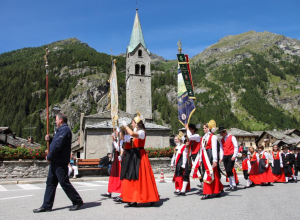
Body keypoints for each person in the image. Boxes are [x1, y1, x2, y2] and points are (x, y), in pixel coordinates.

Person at [33, 113, 83, 213]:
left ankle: (77, 201)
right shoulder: (60, 131)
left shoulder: (64, 130)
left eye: (56, 120)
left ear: (61, 120)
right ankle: (47, 205)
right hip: (56, 161)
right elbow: (57, 142)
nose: (55, 121)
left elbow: (57, 146)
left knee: (64, 182)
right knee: (50, 183)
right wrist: (50, 139)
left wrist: (49, 156)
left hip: (59, 161)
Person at [120, 111, 159, 208]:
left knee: (141, 177)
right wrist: (119, 130)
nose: (131, 123)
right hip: (134, 155)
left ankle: (149, 196)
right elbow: (125, 139)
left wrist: (126, 126)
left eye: (133, 122)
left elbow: (132, 134)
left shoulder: (141, 132)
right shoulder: (135, 132)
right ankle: (132, 199)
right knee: (131, 176)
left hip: (140, 156)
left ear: (137, 123)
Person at [199, 120, 224, 200]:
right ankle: (218, 189)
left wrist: (215, 160)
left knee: (210, 173)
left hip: (210, 156)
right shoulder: (203, 138)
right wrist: (200, 159)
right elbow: (201, 149)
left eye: (206, 128)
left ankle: (208, 192)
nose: (204, 129)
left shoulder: (213, 137)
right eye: (203, 128)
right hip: (205, 156)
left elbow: (214, 149)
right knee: (207, 173)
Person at [177, 123, 201, 196]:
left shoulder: (197, 136)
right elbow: (187, 150)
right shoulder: (189, 139)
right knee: (186, 173)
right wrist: (187, 146)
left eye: (190, 129)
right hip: (190, 157)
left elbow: (190, 136)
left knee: (199, 173)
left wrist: (187, 129)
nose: (189, 131)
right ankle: (183, 190)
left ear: (193, 130)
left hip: (197, 157)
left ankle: (204, 188)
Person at [101, 127, 123, 198]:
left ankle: (121, 192)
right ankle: (109, 191)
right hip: (115, 159)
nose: (115, 132)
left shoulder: (121, 140)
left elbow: (119, 149)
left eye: (116, 131)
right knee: (113, 175)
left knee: (119, 175)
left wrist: (114, 140)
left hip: (119, 159)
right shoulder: (117, 139)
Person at [219, 126, 238, 191]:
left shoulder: (232, 137)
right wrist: (221, 157)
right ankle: (231, 185)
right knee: (227, 170)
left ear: (224, 132)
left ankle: (234, 185)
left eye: (221, 133)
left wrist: (234, 155)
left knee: (229, 170)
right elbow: (221, 149)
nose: (220, 134)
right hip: (225, 156)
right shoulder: (221, 140)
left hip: (231, 155)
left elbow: (236, 147)